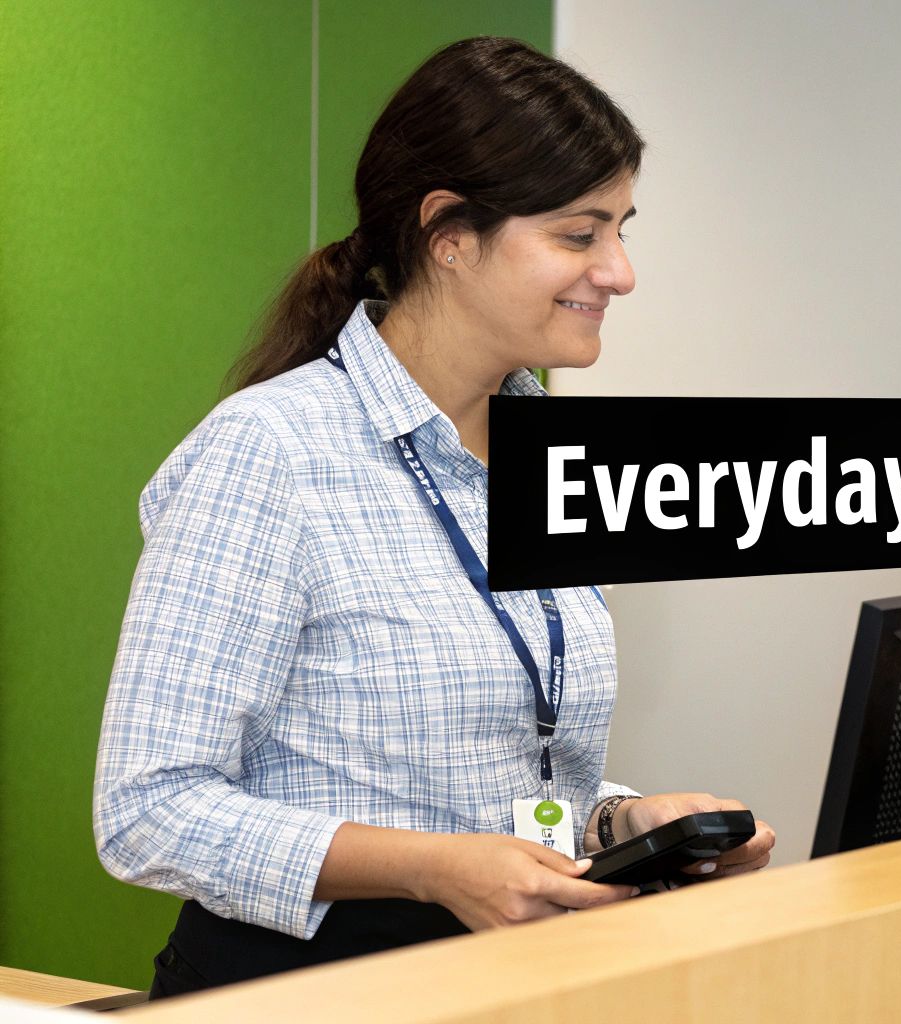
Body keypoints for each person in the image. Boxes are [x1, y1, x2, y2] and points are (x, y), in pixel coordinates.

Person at [94, 37, 774, 997]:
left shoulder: (547, 457)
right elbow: (147, 812)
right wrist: (429, 864)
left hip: (505, 983)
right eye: (580, 235)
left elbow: (496, 773)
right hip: (306, 991)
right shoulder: (271, 454)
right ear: (449, 233)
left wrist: (617, 825)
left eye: (622, 229)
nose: (618, 272)